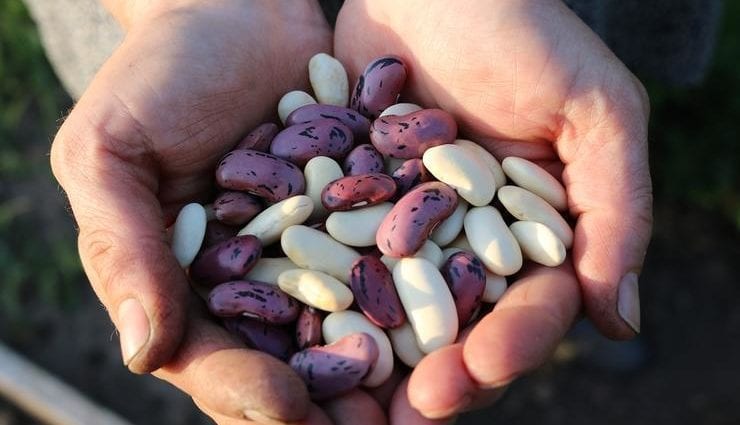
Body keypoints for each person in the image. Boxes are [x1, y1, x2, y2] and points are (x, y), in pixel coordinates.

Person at [43, 0, 717, 423]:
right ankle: (577, 305)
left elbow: (387, 228)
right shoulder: (303, 205)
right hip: (219, 38)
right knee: (555, 243)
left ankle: (585, 307)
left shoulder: (420, 182)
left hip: (487, 53)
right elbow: (346, 226)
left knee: (575, 227)